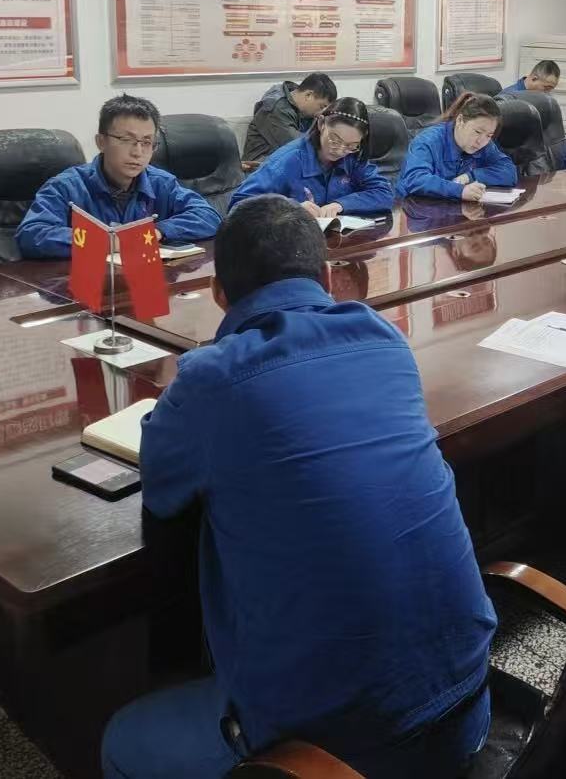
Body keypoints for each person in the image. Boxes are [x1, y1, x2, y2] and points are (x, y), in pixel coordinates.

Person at [102, 195, 496, 778]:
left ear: (217, 294)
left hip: (338, 757)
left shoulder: (213, 378)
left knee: (121, 740)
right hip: (468, 708)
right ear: (329, 278)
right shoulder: (385, 340)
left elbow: (163, 486)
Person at [16, 95, 221, 258]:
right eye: (126, 140)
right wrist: (106, 241)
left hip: (145, 283)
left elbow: (208, 216)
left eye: (147, 142)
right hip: (83, 287)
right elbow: (31, 234)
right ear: (101, 142)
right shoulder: (66, 186)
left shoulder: (161, 182)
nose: (138, 152)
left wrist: (157, 231)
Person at [228, 97, 394, 217]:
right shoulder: (288, 161)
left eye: (351, 145)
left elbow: (384, 192)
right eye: (335, 140)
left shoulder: (352, 158)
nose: (340, 151)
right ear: (321, 124)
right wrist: (289, 209)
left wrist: (340, 205)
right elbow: (238, 207)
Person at [397, 92, 517, 201]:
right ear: (460, 120)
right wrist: (460, 191)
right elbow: (416, 179)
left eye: (489, 135)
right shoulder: (428, 141)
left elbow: (509, 172)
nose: (481, 141)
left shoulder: (485, 144)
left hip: (453, 208)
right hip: (415, 208)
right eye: (477, 132)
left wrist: (471, 176)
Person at [242, 72, 338, 164]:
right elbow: (298, 146)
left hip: (284, 163)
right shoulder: (275, 109)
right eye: (321, 106)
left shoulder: (299, 105)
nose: (320, 113)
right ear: (308, 95)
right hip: (259, 166)